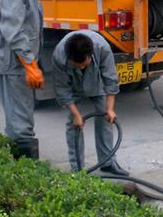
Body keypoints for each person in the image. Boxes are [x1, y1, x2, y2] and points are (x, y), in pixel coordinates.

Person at [0, 0, 48, 159]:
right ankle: (24, 174)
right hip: (13, 66)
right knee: (20, 123)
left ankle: (21, 171)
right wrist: (31, 65)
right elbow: (14, 32)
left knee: (21, 119)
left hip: (18, 65)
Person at [52, 30, 129, 175]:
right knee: (74, 124)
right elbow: (62, 88)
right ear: (69, 58)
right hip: (73, 84)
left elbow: (110, 80)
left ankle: (108, 163)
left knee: (106, 118)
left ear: (90, 55)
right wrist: (76, 114)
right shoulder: (59, 56)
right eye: (77, 65)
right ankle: (77, 168)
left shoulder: (102, 49)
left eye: (83, 64)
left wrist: (110, 109)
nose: (81, 67)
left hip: (95, 80)